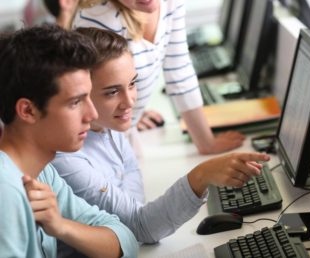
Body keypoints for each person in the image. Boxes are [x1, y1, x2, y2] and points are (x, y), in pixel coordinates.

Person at [52, 27, 271, 244]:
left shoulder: (108, 124)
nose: (130, 102)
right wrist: (201, 176)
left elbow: (131, 175)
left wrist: (129, 210)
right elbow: (142, 227)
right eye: (112, 92)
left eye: (132, 83)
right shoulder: (67, 158)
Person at [0, 25, 138, 257]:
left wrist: (61, 226)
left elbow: (125, 239)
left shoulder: (42, 172)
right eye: (75, 102)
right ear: (28, 110)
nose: (92, 115)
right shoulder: (6, 191)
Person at [72, 0, 246, 155]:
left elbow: (179, 69)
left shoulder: (171, 4)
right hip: (96, 143)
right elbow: (86, 93)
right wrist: (124, 114)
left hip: (123, 134)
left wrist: (206, 143)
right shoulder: (98, 17)